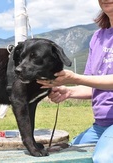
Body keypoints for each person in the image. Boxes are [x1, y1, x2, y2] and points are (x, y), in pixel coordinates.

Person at [37, 0, 113, 162]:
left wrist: (75, 78)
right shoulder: (98, 37)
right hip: (102, 124)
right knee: (67, 157)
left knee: (104, 159)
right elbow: (94, 86)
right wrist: (68, 91)